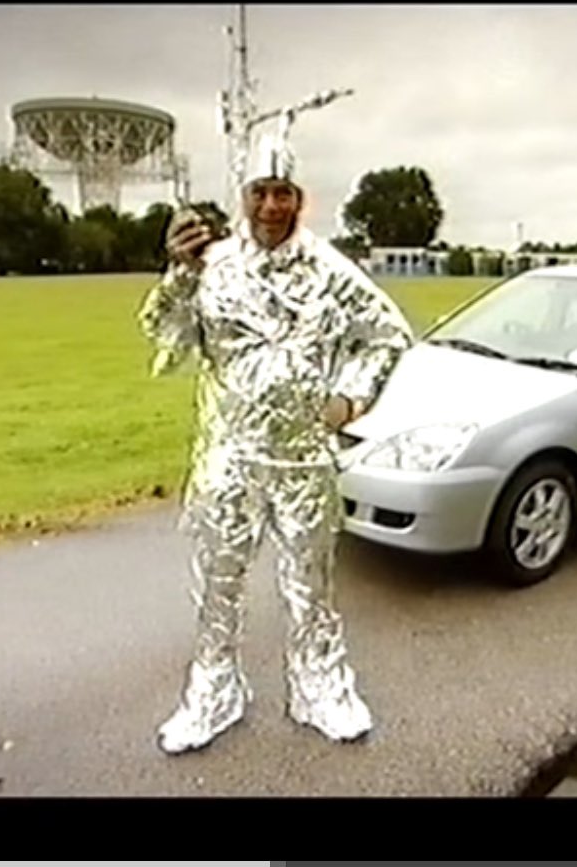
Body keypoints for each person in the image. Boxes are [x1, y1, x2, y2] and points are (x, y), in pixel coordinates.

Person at [137, 134, 413, 754]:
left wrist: (348, 400)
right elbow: (164, 334)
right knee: (218, 584)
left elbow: (389, 333)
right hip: (228, 457)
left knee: (310, 585)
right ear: (243, 197)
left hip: (301, 461)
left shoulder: (329, 270)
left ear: (300, 199)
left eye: (282, 193)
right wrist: (178, 273)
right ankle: (212, 693)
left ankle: (320, 688)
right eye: (260, 193)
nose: (271, 207)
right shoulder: (211, 264)